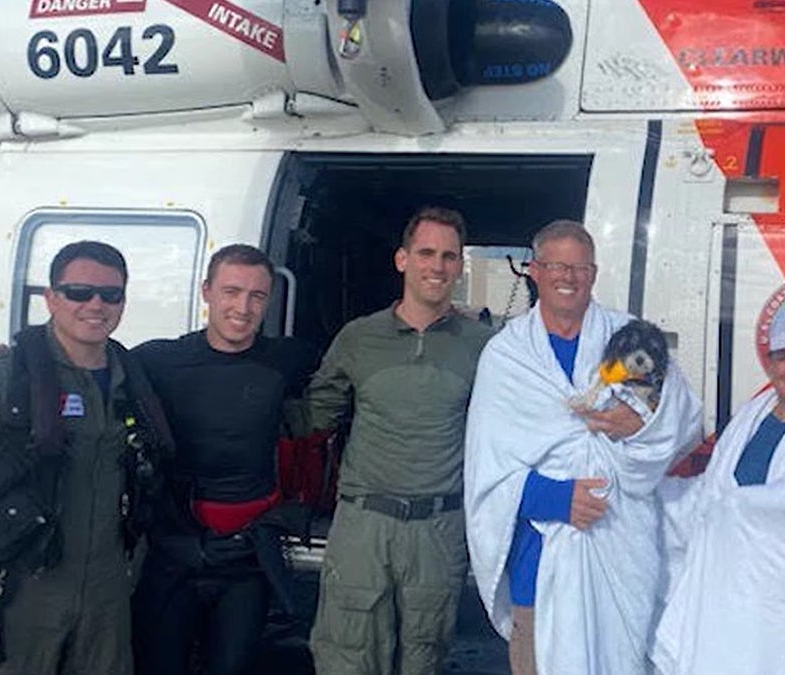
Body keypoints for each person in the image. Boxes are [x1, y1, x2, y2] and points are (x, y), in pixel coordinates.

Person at [464, 219, 703, 675]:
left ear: (594, 273)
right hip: (540, 560)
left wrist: (638, 424)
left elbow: (685, 417)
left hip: (621, 545)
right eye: (556, 265)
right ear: (534, 271)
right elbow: (486, 468)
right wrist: (556, 498)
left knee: (621, 661)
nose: (567, 277)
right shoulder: (508, 355)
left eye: (579, 267)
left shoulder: (628, 338)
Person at [307, 206, 496, 675]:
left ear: (459, 266)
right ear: (401, 260)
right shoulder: (358, 338)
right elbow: (315, 416)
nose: (437, 266)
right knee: (346, 657)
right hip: (364, 523)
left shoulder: (482, 345)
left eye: (449, 256)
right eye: (426, 253)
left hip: (438, 526)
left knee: (424, 657)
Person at [0, 241, 173, 674]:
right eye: (79, 292)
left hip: (106, 596)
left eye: (111, 294)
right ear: (50, 297)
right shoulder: (7, 379)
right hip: (19, 590)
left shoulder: (133, 382)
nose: (96, 305)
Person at [130, 244, 319, 675]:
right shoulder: (159, 360)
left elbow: (354, 366)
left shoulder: (287, 359)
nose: (243, 307)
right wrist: (8, 362)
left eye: (257, 296)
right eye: (231, 291)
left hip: (246, 557)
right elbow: (87, 363)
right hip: (174, 549)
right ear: (207, 291)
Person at [650, 308, 785, 675]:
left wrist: (726, 505)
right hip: (735, 603)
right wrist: (649, 497)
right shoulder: (753, 413)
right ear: (769, 363)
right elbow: (712, 489)